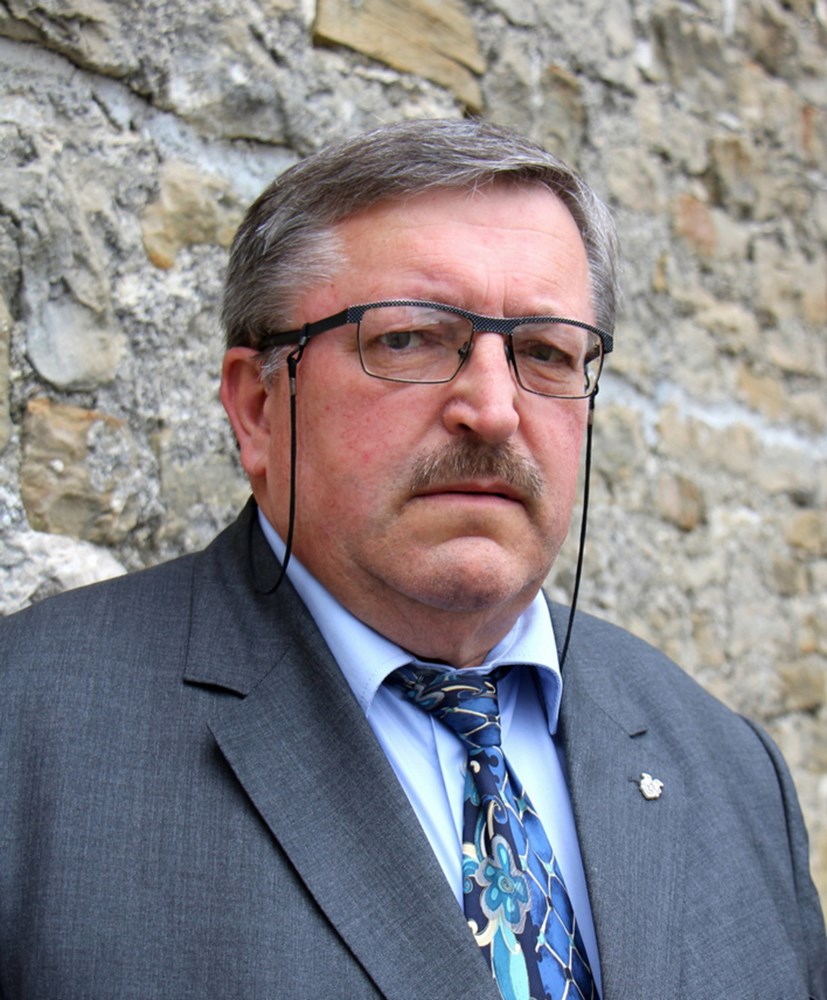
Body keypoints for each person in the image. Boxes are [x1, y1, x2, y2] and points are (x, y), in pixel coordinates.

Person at [1, 118, 824, 1000]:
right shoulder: (32, 737)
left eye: (545, 352)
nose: (493, 410)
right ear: (257, 408)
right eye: (407, 339)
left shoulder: (729, 770)